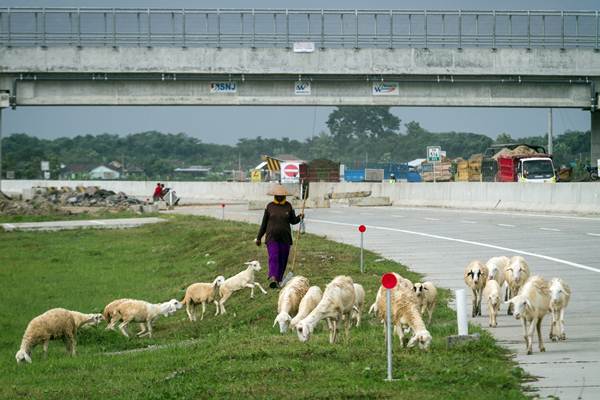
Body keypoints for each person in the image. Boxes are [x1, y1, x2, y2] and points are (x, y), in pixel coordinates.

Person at [255, 184, 304, 288]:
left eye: (282, 195)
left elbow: (293, 221)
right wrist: (259, 237)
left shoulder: (288, 206)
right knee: (274, 257)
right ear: (274, 196)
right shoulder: (270, 206)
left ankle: (278, 280)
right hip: (271, 237)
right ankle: (272, 277)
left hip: (285, 238)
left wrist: (300, 217)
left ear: (285, 196)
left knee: (283, 259)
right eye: (278, 195)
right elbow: (264, 224)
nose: (280, 197)